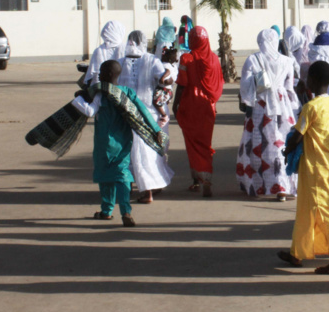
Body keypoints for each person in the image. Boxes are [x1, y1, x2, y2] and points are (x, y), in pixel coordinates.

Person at [71, 60, 166, 227]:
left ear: (107, 75)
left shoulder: (101, 94)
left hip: (104, 143)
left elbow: (90, 111)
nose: (98, 74)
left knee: (105, 176)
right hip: (123, 141)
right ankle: (126, 211)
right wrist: (156, 129)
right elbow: (142, 110)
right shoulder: (128, 92)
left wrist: (78, 99)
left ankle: (106, 211)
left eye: (101, 71)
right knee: (122, 174)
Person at [277, 61, 329, 275]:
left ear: (313, 80)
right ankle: (296, 252)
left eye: (308, 77)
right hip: (326, 163)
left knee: (324, 210)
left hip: (314, 166)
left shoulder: (310, 107)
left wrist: (287, 149)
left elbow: (298, 135)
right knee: (306, 209)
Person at [237, 28, 299, 201]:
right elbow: (289, 88)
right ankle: (283, 187)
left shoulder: (253, 59)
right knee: (282, 143)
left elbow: (245, 86)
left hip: (261, 107)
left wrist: (252, 95)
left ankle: (259, 185)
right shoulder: (287, 61)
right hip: (282, 108)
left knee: (259, 144)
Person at [119, 31, 174, 204]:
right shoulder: (152, 60)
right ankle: (151, 187)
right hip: (150, 113)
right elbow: (165, 80)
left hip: (127, 111)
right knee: (148, 151)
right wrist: (167, 76)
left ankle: (141, 189)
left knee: (131, 151)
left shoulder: (120, 62)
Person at [173, 26, 224, 198]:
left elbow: (181, 84)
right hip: (208, 106)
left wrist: (175, 105)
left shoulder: (186, 58)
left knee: (192, 143)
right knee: (205, 143)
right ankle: (205, 178)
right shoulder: (215, 59)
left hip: (190, 104)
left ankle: (196, 179)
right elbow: (219, 82)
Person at [85, 21, 126, 86]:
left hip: (100, 88)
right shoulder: (126, 49)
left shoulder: (99, 50)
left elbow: (94, 74)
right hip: (122, 88)